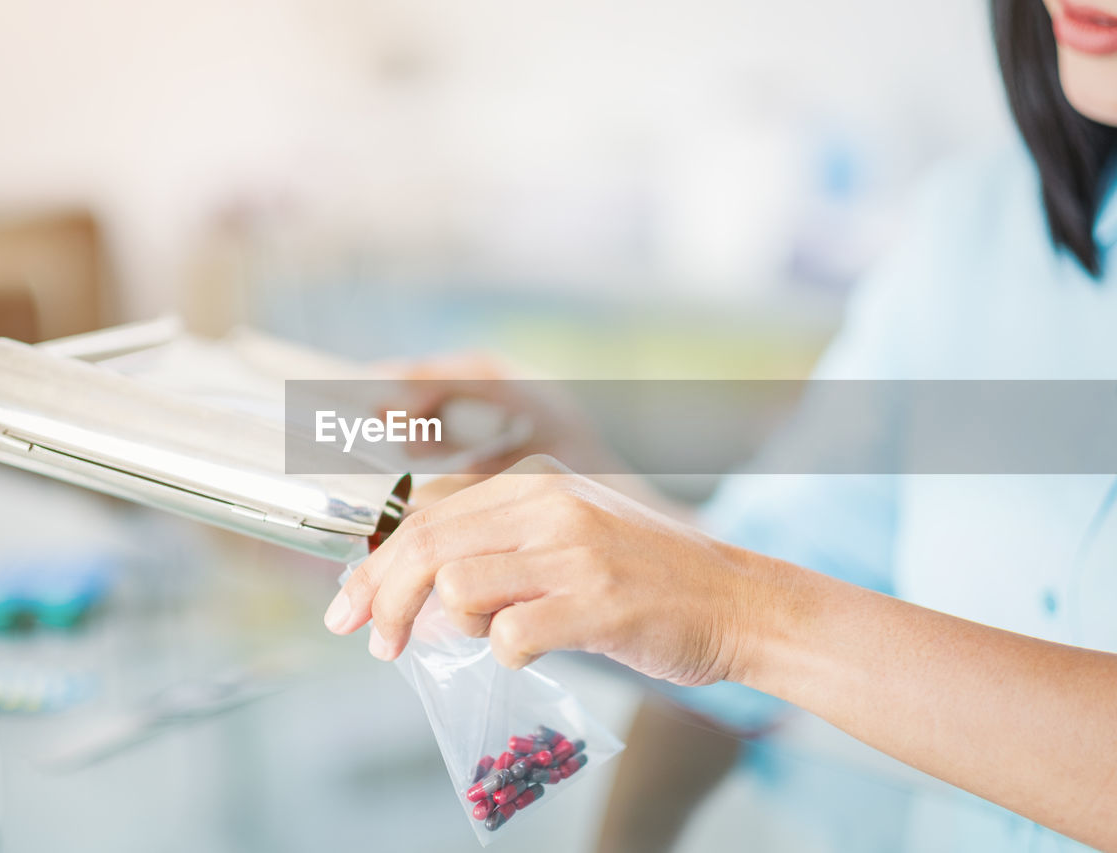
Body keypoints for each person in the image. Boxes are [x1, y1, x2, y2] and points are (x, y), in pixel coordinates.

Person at [323, 0, 1117, 849]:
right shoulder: (978, 223)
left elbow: (761, 617)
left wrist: (739, 613)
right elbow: (776, 604)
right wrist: (582, 495)